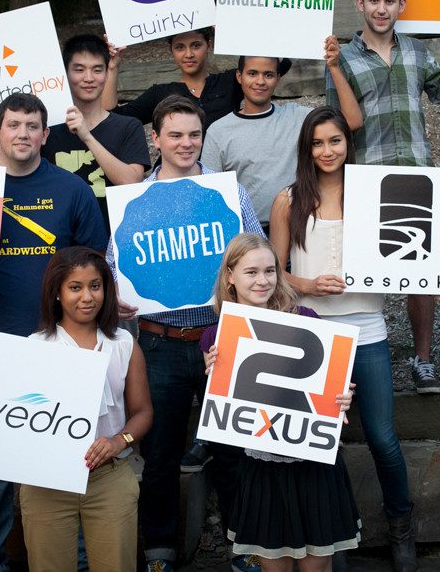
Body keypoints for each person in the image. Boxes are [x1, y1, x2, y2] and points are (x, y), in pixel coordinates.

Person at [0, 92, 108, 572]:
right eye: (13, 125)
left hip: (58, 341)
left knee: (62, 457)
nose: (22, 134)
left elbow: (95, 262)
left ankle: (73, 560)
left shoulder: (71, 190)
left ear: (44, 134)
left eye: (32, 126)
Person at [106, 94, 264, 572]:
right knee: (160, 453)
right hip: (160, 343)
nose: (186, 143)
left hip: (224, 337)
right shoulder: (134, 199)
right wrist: (116, 295)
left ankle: (244, 545)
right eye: (175, 135)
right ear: (156, 138)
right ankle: (160, 549)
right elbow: (112, 264)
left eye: (194, 134)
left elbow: (256, 253)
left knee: (235, 449)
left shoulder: (228, 193)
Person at [269, 106, 418, 572]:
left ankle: (401, 526)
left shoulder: (375, 194)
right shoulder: (288, 200)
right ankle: (330, 539)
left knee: (382, 438)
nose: (327, 150)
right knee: (319, 443)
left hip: (367, 329)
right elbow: (272, 274)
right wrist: (309, 285)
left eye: (335, 140)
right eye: (317, 143)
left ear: (349, 144)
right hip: (312, 332)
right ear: (306, 149)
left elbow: (410, 255)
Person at [0, 247, 153, 572]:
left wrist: (119, 440)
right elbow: (6, 417)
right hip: (46, 484)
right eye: (75, 287)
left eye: (95, 286)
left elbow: (143, 412)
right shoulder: (34, 347)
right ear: (57, 292)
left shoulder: (123, 345)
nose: (87, 297)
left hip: (109, 478)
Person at [326, 0, 440, 394]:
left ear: (402, 5)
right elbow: (338, 123)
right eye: (374, 1)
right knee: (365, 273)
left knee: (421, 271)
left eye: (390, 1)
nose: (381, 9)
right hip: (368, 177)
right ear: (360, 4)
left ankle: (423, 360)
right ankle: (360, 364)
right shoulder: (341, 58)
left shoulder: (417, 51)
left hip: (418, 174)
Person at [203, 233, 361, 572]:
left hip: (314, 464)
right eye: (251, 272)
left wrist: (343, 398)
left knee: (316, 567)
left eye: (270, 271)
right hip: (263, 468)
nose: (263, 281)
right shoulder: (216, 337)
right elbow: (227, 411)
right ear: (229, 276)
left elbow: (334, 390)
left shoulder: (307, 319)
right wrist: (214, 373)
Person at [42, 34, 151, 226]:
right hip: (60, 235)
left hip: (113, 235)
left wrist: (87, 136)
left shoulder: (128, 127)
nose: (89, 78)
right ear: (65, 73)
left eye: (97, 70)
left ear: (107, 74)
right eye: (79, 70)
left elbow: (132, 182)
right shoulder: (46, 130)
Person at [200, 52, 309, 235]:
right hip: (248, 236)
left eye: (268, 75)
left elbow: (350, 121)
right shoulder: (218, 131)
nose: (260, 81)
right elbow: (209, 195)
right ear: (239, 77)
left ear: (278, 78)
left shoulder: (296, 117)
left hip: (297, 229)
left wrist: (334, 67)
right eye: (252, 73)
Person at [104, 27, 242, 129]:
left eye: (196, 45)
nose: (188, 54)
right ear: (171, 50)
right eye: (180, 47)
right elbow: (112, 121)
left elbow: (255, 67)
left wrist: (228, 31)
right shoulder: (159, 94)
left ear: (209, 45)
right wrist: (112, 68)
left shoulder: (231, 81)